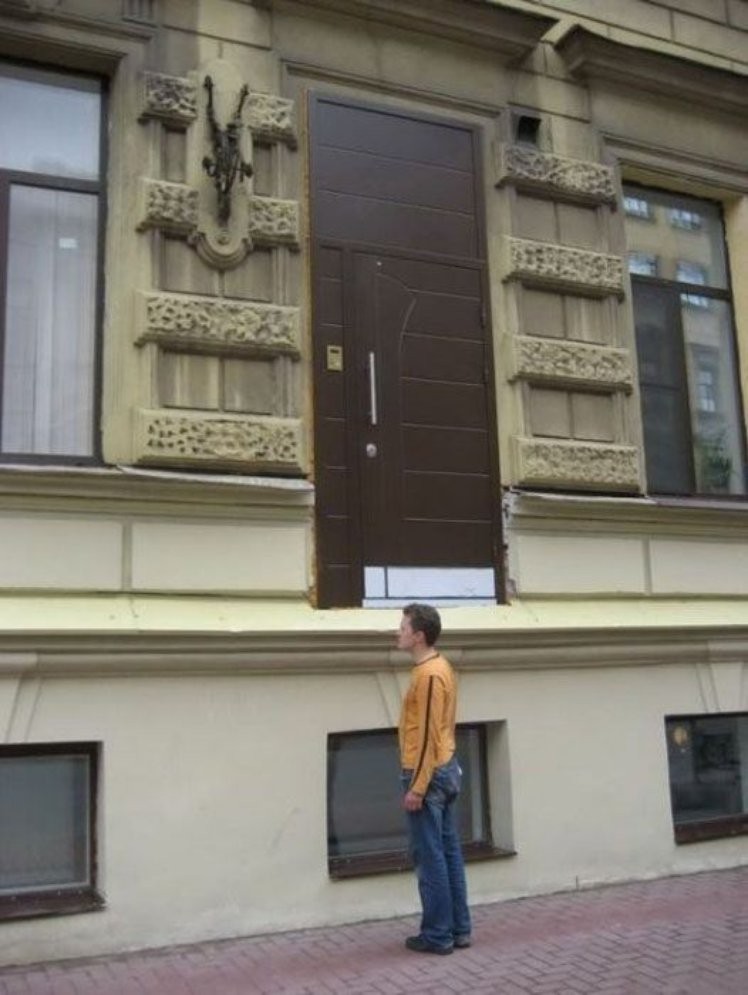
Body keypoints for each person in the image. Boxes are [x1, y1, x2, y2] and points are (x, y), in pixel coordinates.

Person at [397, 602, 471, 955]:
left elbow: (428, 735)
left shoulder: (428, 675)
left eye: (403, 628)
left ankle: (438, 934)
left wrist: (418, 787)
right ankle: (459, 929)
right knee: (449, 853)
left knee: (431, 858)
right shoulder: (441, 666)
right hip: (445, 767)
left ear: (419, 636)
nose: (398, 633)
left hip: (427, 774)